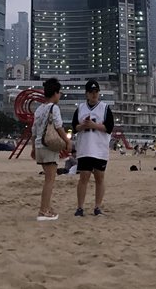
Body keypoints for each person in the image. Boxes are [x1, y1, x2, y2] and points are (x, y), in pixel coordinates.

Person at [31, 78, 72, 220]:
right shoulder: (54, 108)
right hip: (48, 146)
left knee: (48, 178)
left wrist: (33, 148)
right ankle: (43, 211)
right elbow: (59, 126)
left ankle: (47, 207)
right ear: (55, 93)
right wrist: (67, 141)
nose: (60, 95)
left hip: (38, 146)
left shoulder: (39, 109)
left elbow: (34, 131)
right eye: (59, 93)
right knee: (50, 180)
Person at [72, 80, 114, 216]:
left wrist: (94, 126)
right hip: (85, 148)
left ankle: (97, 207)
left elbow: (109, 127)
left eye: (96, 92)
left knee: (99, 177)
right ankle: (80, 207)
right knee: (84, 177)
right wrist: (83, 125)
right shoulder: (80, 108)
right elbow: (74, 127)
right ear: (87, 94)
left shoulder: (105, 108)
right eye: (91, 92)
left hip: (100, 149)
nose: (94, 94)